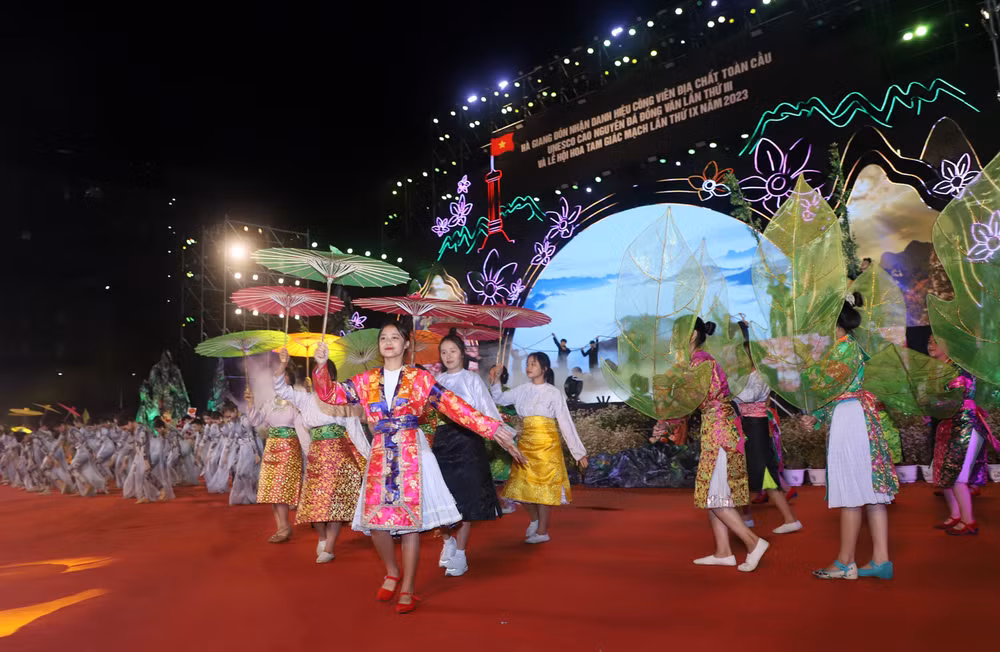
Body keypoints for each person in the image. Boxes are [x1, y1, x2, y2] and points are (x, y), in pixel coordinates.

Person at [311, 319, 523, 614]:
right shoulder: (366, 380)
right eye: (383, 337)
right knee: (377, 525)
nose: (388, 341)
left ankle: (408, 587)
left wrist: (492, 428)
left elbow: (453, 406)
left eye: (394, 337)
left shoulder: (420, 380)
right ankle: (392, 571)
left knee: (410, 525)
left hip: (411, 453)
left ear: (405, 344)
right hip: (381, 454)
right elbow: (330, 395)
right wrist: (321, 366)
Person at [802, 291, 898, 580]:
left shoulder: (844, 348)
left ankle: (846, 562)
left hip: (851, 418)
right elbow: (835, 391)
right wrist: (817, 417)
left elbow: (822, 382)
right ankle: (880, 560)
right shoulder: (847, 347)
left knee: (852, 491)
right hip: (854, 414)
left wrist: (808, 364)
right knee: (872, 494)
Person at [686, 318, 769, 572]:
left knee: (714, 495)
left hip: (718, 430)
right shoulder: (701, 360)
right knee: (717, 492)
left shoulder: (700, 362)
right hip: (719, 426)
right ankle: (723, 552)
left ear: (692, 335)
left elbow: (693, 399)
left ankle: (753, 542)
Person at [274, 350, 369, 562]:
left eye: (325, 374)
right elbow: (280, 388)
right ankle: (323, 536)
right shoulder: (305, 399)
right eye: (318, 374)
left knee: (336, 503)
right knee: (313, 501)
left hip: (339, 457)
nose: (321, 379)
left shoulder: (342, 402)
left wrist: (371, 458)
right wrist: (282, 364)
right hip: (317, 456)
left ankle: (329, 547)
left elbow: (356, 432)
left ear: (332, 378)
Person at [489, 351, 588, 544]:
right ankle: (535, 520)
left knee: (543, 490)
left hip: (547, 446)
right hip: (525, 444)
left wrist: (579, 452)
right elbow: (499, 398)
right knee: (520, 488)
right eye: (528, 363)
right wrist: (495, 379)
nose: (529, 367)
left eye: (533, 364)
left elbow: (566, 423)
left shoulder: (553, 393)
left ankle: (543, 531)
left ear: (544, 368)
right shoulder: (522, 389)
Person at [433, 329, 508, 577]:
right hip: (443, 445)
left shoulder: (472, 380)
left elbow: (488, 411)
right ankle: (447, 541)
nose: (448, 356)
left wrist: (505, 437)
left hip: (467, 444)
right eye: (444, 352)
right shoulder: (436, 382)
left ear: (463, 354)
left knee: (465, 502)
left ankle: (462, 554)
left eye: (453, 351)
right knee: (440, 499)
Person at [733, 329, 801, 535]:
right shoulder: (747, 375)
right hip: (747, 425)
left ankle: (788, 518)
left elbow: (747, 396)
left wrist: (729, 391)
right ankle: (746, 517)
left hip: (755, 426)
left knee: (761, 471)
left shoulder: (760, 375)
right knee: (744, 471)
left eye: (745, 354)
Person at [927, 335, 993, 535]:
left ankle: (968, 521)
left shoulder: (957, 369)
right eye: (929, 341)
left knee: (957, 476)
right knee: (944, 475)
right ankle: (956, 515)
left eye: (935, 341)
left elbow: (953, 400)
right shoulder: (939, 370)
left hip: (964, 425)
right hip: (948, 425)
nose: (930, 345)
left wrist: (930, 403)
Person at [251, 362, 304, 543]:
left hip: (289, 447)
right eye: (276, 377)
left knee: (281, 490)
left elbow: (302, 427)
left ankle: (284, 527)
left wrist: (308, 450)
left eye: (282, 377)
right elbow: (255, 421)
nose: (278, 379)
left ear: (289, 381)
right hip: (272, 447)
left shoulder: (296, 402)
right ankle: (282, 526)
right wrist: (251, 404)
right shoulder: (268, 403)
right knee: (273, 490)